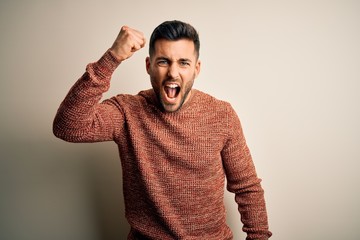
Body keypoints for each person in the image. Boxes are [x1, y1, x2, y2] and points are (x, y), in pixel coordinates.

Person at [53, 20, 272, 240]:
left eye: (183, 62)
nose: (173, 73)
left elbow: (247, 188)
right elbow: (68, 126)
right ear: (149, 65)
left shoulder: (222, 114)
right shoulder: (127, 112)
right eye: (164, 62)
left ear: (196, 68)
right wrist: (112, 57)